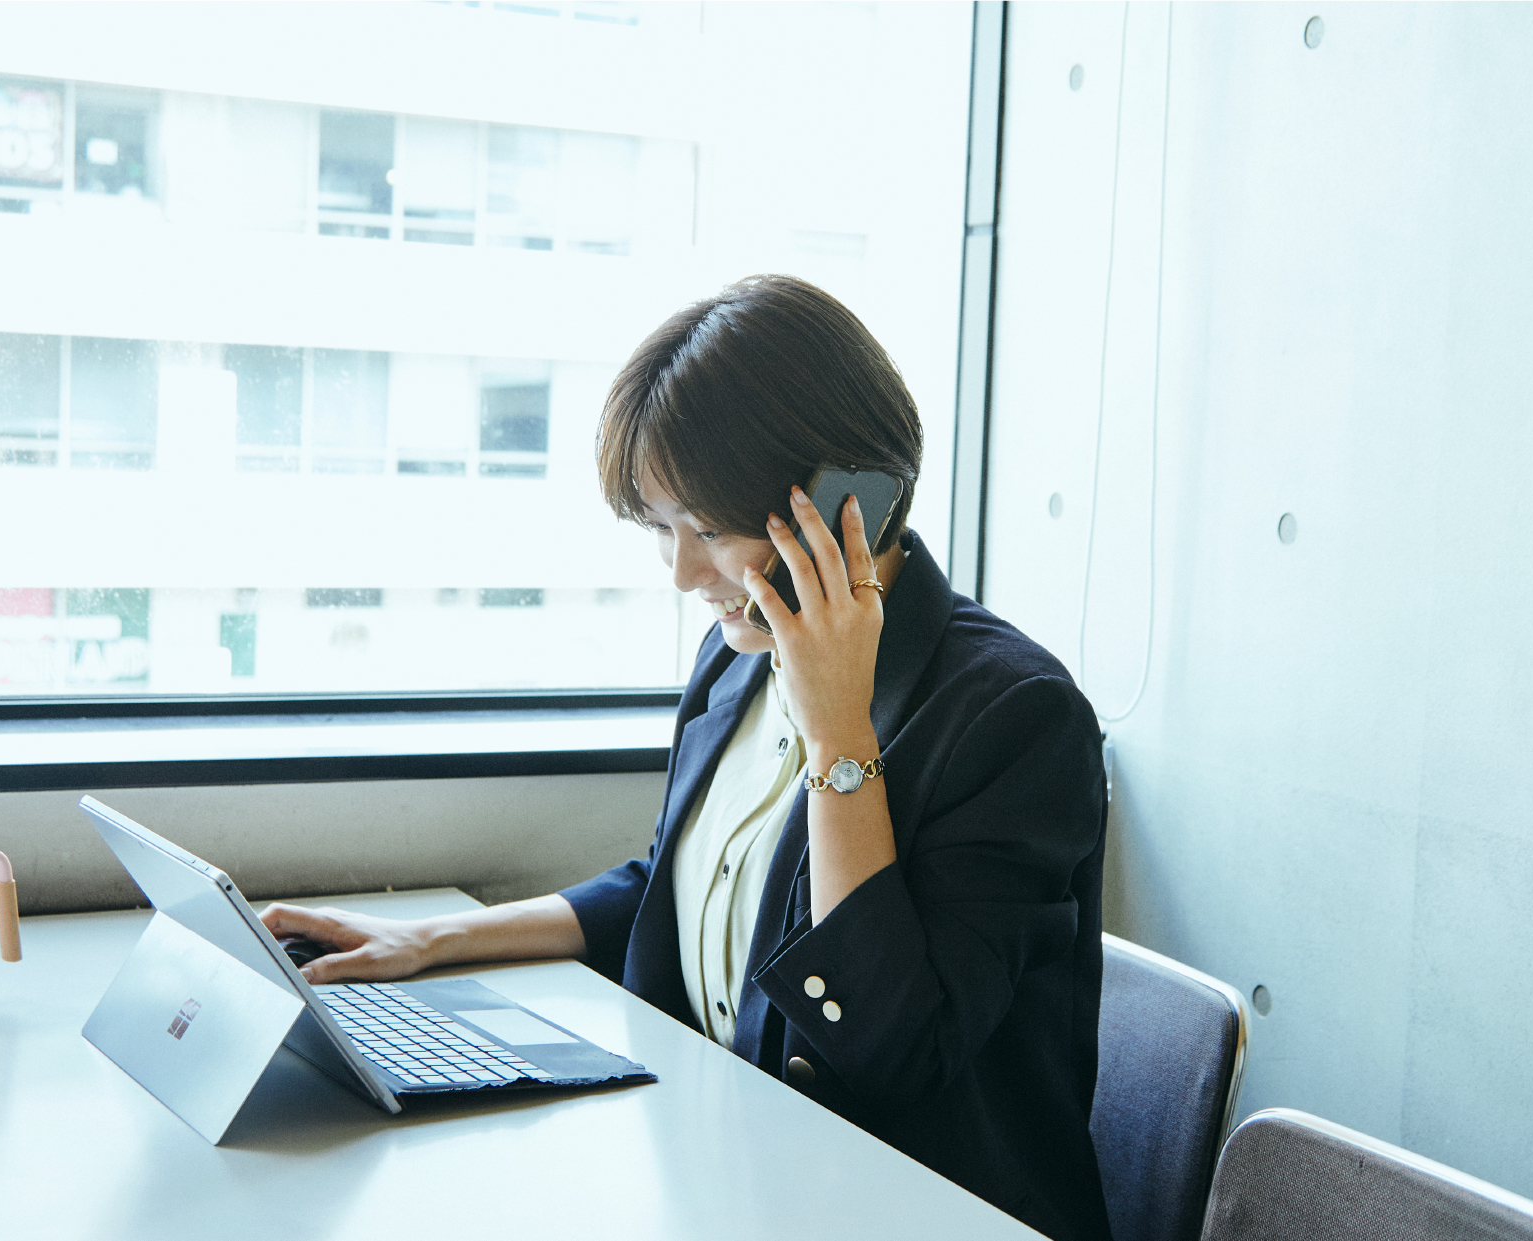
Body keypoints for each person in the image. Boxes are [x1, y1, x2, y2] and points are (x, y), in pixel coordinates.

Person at [263, 275, 1112, 1241]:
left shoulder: (1013, 716)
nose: (680, 573)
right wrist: (431, 941)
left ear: (851, 504)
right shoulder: (738, 656)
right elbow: (686, 886)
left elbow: (893, 1047)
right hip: (733, 1178)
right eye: (663, 529)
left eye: (706, 529)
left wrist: (839, 737)